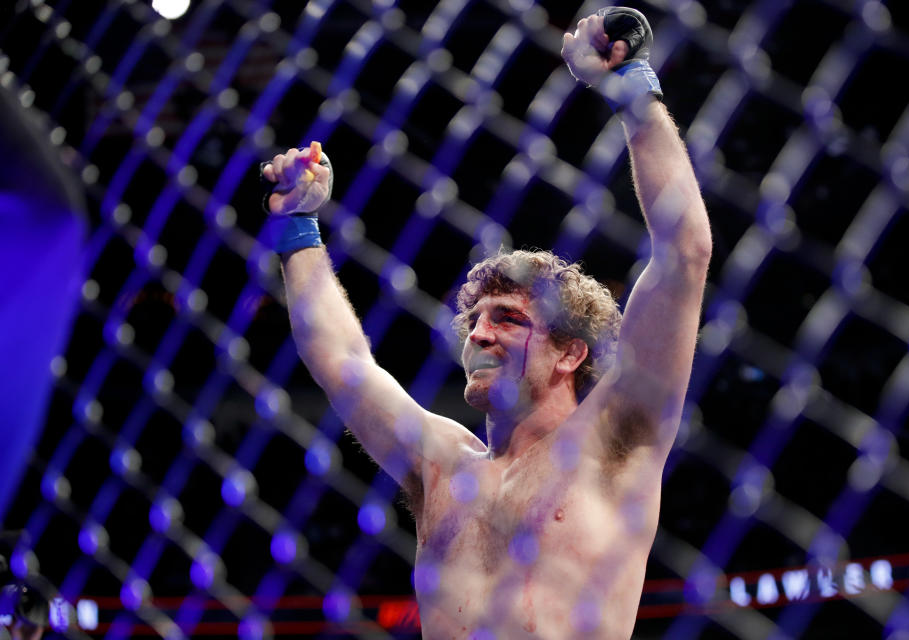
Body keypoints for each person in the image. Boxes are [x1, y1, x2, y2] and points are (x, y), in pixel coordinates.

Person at [261, 7, 710, 639]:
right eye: (474, 320)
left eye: (508, 319)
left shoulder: (613, 437)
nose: (478, 334)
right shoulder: (442, 466)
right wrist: (298, 227)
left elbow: (683, 252)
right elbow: (342, 361)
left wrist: (630, 83)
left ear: (570, 354)